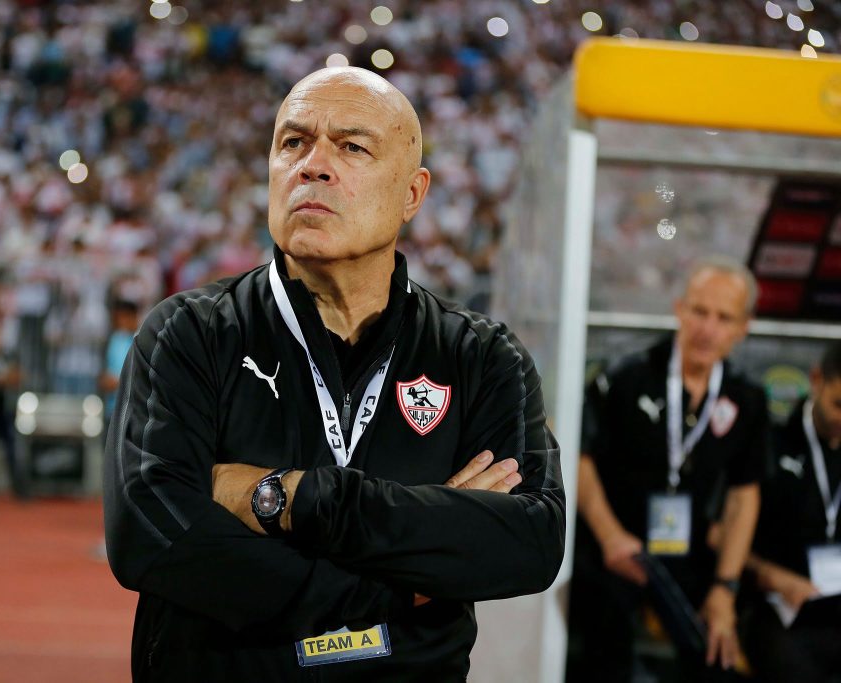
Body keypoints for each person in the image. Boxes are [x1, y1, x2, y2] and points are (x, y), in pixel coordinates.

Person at [103, 67, 565, 682]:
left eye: (352, 147)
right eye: (293, 142)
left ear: (412, 194)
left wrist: (292, 497)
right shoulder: (189, 333)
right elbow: (151, 537)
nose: (313, 166)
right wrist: (400, 582)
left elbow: (530, 542)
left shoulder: (481, 356)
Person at [567, 257, 767, 682]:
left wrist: (725, 588)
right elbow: (580, 458)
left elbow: (743, 495)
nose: (707, 329)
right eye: (699, 311)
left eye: (724, 318)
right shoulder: (626, 376)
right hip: (614, 548)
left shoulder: (747, 398)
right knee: (605, 635)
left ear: (743, 327)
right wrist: (610, 535)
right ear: (679, 309)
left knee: (721, 652)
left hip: (688, 556)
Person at [740, 341, 841, 682]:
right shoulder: (770, 442)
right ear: (817, 380)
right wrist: (770, 574)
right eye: (839, 405)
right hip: (777, 606)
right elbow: (719, 533)